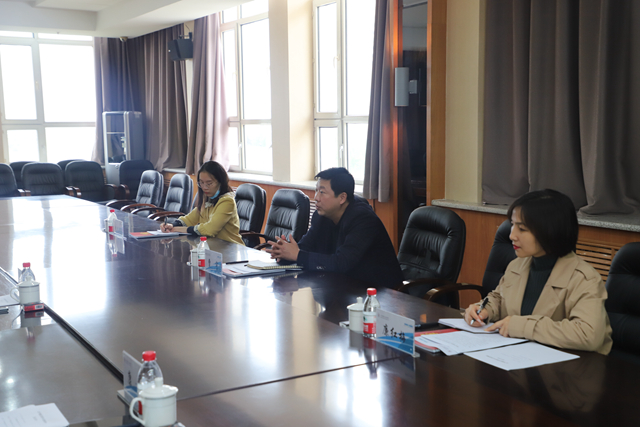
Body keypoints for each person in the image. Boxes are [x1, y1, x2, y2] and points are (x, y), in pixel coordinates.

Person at [464, 189, 612, 354]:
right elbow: (499, 299)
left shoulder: (584, 278)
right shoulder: (517, 265)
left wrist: (522, 326)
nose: (512, 235)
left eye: (522, 229)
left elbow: (588, 334)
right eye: (512, 225)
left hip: (567, 366)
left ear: (550, 231)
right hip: (520, 356)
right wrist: (483, 310)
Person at [266, 167, 403, 289]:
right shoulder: (321, 216)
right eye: (316, 190)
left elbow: (342, 262)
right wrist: (284, 252)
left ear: (342, 198)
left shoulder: (363, 219)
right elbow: (305, 247)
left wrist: (297, 255)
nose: (316, 198)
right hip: (342, 287)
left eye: (322, 192)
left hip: (379, 293)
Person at [161, 161, 244, 245]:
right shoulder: (207, 198)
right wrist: (172, 225)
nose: (204, 187)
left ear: (220, 182)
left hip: (230, 248)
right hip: (212, 247)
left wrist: (177, 229)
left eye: (209, 183)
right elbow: (190, 219)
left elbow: (210, 230)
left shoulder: (227, 201)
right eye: (201, 183)